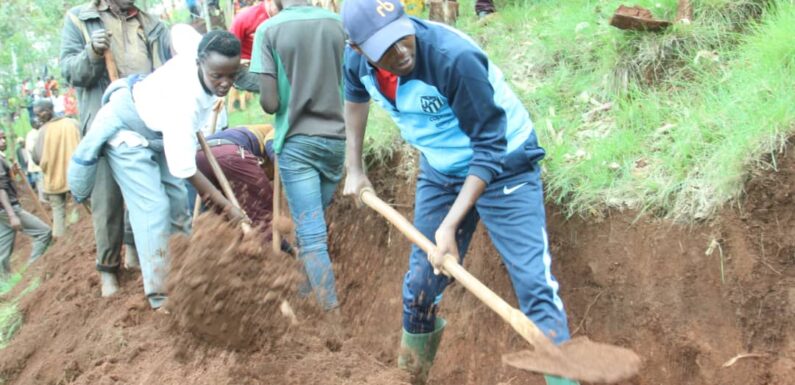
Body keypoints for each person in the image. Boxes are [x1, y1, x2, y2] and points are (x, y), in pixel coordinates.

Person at [340, 1, 578, 384]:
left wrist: (449, 225)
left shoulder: (453, 58)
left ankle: (563, 377)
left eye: (402, 36)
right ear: (358, 49)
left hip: (505, 164)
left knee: (533, 285)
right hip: (442, 168)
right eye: (386, 47)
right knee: (421, 286)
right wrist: (355, 167)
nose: (401, 51)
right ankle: (410, 377)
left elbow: (489, 148)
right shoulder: (355, 60)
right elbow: (355, 97)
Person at [69, 28, 246, 310]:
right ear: (200, 62)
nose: (225, 84)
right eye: (217, 76)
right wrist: (228, 208)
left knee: (178, 204)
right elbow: (187, 171)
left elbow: (179, 31)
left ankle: (189, 276)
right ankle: (161, 295)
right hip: (128, 131)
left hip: (159, 131)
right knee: (153, 209)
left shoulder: (201, 50)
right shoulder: (184, 105)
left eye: (231, 75)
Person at [61, 0, 172, 296]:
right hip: (103, 120)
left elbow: (165, 69)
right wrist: (92, 53)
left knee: (147, 190)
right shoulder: (79, 19)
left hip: (144, 118)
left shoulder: (151, 23)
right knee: (107, 198)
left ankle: (135, 248)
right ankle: (108, 269)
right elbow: (70, 73)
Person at [250, 0, 346, 312]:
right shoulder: (336, 22)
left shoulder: (269, 29)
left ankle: (331, 319)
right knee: (312, 230)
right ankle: (306, 296)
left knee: (312, 238)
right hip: (336, 142)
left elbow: (270, 104)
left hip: (297, 143)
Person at [0, 131, 52, 279]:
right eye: (0, 139)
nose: (3, 141)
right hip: (7, 208)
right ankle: (31, 270)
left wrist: (12, 174)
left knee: (3, 245)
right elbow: (1, 189)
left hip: (2, 209)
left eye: (4, 138)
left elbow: (6, 183)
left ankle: (4, 279)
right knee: (44, 232)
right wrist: (12, 215)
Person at [31, 99, 81, 239]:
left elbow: (36, 157)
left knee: (58, 212)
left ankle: (60, 242)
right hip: (76, 174)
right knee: (90, 204)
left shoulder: (42, 132)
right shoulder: (72, 124)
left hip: (53, 177)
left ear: (48, 110)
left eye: (39, 112)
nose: (38, 116)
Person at [228, 0, 270, 100]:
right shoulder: (245, 18)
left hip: (274, 66)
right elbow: (228, 50)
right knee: (279, 86)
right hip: (246, 67)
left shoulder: (287, 16)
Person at [24, 120, 45, 203]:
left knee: (40, 181)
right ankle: (43, 198)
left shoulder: (36, 133)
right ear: (33, 124)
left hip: (37, 163)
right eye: (37, 122)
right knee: (41, 180)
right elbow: (31, 148)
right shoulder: (33, 134)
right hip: (37, 163)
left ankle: (43, 197)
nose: (39, 123)